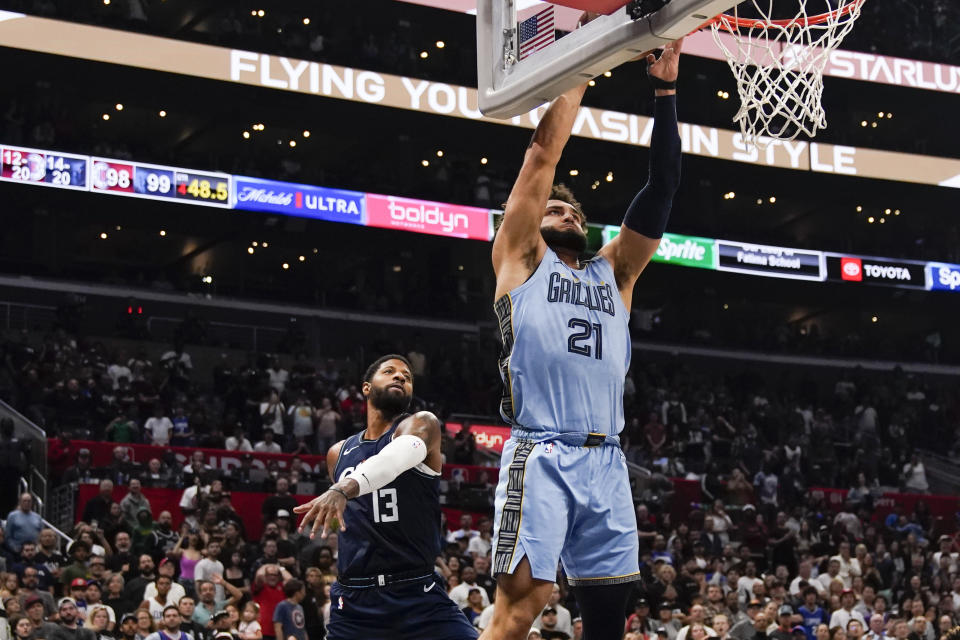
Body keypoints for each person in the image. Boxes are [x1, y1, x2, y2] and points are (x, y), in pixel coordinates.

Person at [479, 29, 684, 640]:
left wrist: (666, 90)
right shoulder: (520, 257)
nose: (564, 213)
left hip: (607, 459)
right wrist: (582, 66)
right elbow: (541, 159)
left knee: (608, 614)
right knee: (524, 604)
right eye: (553, 211)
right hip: (540, 451)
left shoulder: (615, 271)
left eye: (573, 212)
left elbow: (663, 188)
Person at [294, 354, 478, 640]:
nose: (400, 377)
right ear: (366, 387)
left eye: (407, 376)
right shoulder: (338, 453)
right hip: (355, 601)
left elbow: (394, 459)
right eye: (390, 371)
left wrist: (342, 488)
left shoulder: (423, 425)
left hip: (417, 594)